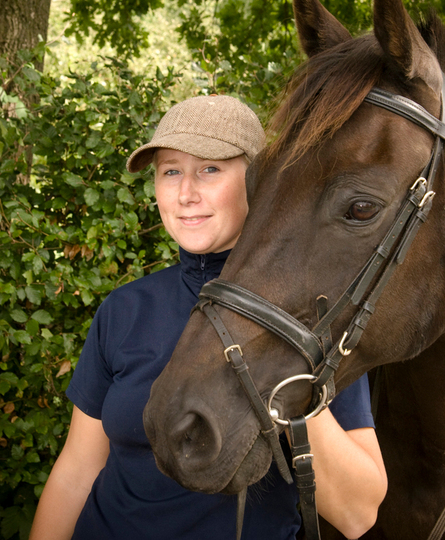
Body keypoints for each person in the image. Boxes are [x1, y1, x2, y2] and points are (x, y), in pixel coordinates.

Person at [29, 95, 387, 540]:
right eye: (171, 171)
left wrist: (286, 371)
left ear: (261, 181)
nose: (185, 193)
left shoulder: (315, 314)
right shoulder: (123, 310)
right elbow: (77, 471)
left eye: (210, 169)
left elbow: (358, 515)